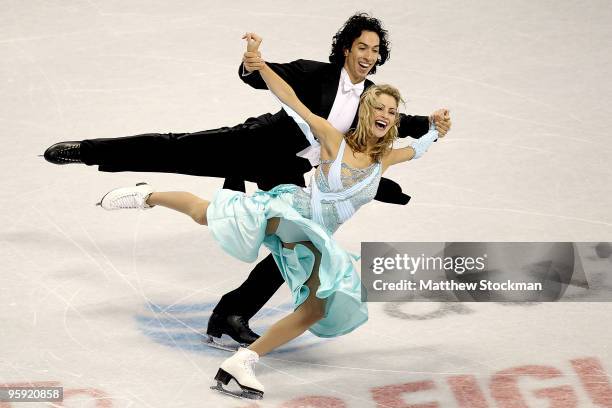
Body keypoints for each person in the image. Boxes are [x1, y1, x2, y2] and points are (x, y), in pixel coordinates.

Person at [43, 13, 451, 350]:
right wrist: (254, 61)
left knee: (297, 244)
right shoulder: (317, 75)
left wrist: (432, 125)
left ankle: (230, 316)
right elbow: (266, 78)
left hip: (288, 172)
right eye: (362, 46)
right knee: (175, 148)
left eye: (375, 50)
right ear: (347, 48)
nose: (368, 55)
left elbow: (395, 121)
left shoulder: (371, 100)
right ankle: (88, 151)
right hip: (255, 145)